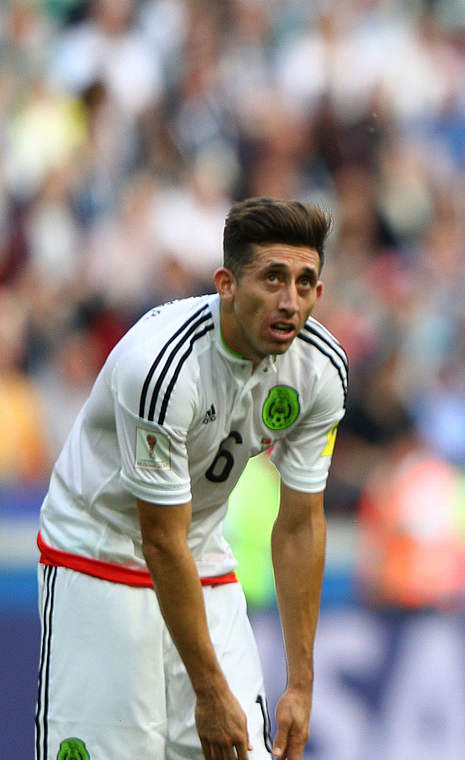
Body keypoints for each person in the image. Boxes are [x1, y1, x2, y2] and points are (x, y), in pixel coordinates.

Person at [34, 197, 346, 760]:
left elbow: (301, 524)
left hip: (199, 553)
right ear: (226, 283)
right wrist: (206, 689)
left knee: (240, 751)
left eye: (304, 283)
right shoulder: (162, 366)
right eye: (272, 279)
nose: (289, 301)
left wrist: (300, 682)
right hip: (99, 553)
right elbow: (158, 537)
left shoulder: (321, 371)